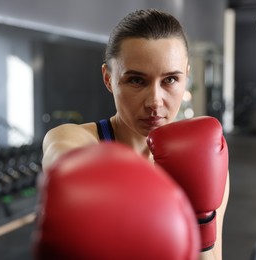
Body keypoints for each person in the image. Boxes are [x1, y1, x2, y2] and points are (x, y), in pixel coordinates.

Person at [40, 8, 230, 260]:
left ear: (186, 76)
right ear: (109, 78)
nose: (154, 101)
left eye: (170, 80)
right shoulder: (76, 140)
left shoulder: (205, 161)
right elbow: (62, 154)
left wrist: (201, 220)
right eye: (137, 81)